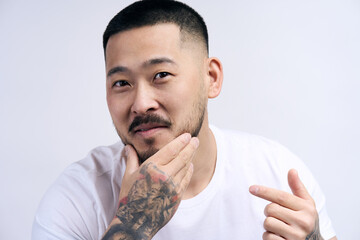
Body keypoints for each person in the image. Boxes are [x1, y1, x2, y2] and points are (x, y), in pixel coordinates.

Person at [32, 0, 337, 239]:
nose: (141, 103)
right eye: (121, 83)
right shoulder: (77, 198)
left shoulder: (278, 175)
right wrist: (131, 227)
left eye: (161, 75)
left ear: (211, 78)